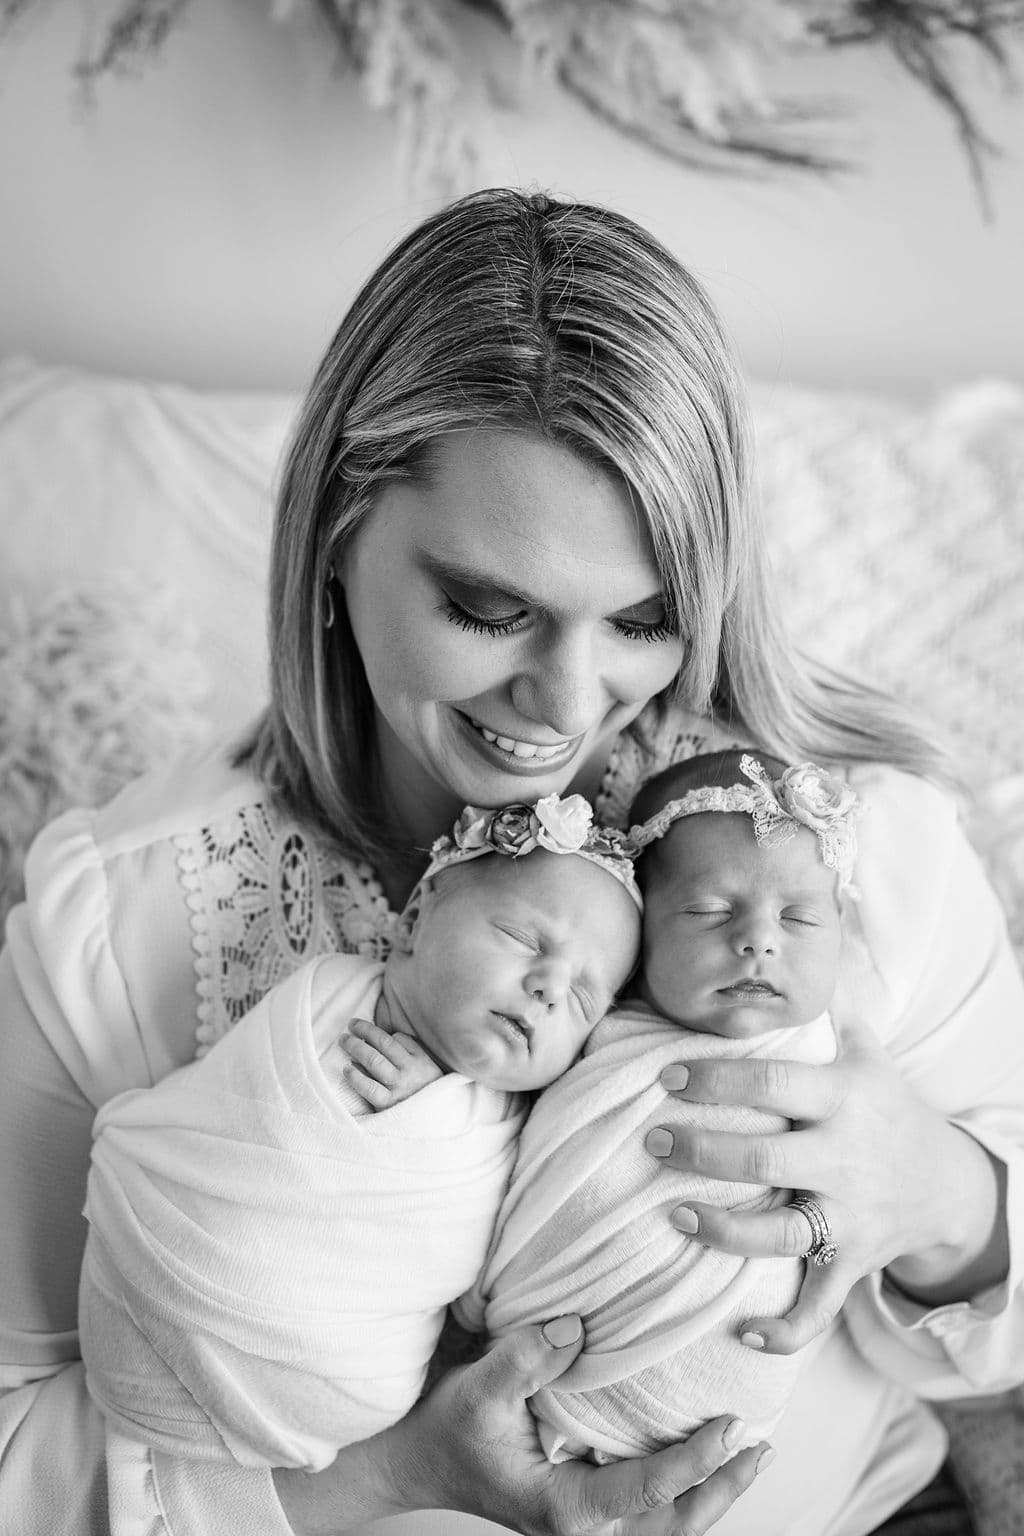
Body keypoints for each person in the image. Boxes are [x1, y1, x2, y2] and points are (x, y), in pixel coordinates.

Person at [0, 186, 1021, 1536]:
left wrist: (947, 1198)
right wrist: (384, 1481)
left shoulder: (845, 846)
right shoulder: (119, 921)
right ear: (334, 539)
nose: (566, 697)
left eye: (647, 619)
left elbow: (996, 1336)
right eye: (489, 608)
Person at [78, 795, 642, 1472]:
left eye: (584, 998)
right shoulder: (332, 1002)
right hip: (162, 1281)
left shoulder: (526, 1128)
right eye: (524, 939)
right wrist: (425, 1107)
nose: (551, 987)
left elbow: (478, 1276)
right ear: (413, 922)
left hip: (338, 1379)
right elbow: (258, 1106)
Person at [458, 750, 855, 1463]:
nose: (759, 939)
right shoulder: (589, 1028)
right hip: (540, 1373)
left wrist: (838, 1228)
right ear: (640, 935)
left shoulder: (841, 1066)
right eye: (708, 911)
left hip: (724, 1397)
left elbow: (855, 1212)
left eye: (800, 918)